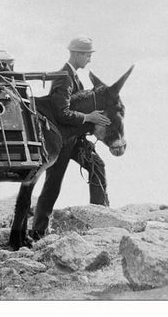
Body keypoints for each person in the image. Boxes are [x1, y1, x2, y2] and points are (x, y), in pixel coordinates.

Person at [31, 36, 112, 238]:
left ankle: (99, 214)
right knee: (53, 185)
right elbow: (61, 113)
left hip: (74, 139)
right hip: (61, 141)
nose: (89, 59)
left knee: (97, 165)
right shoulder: (64, 77)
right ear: (76, 54)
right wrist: (88, 117)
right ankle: (38, 232)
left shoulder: (74, 77)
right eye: (87, 55)